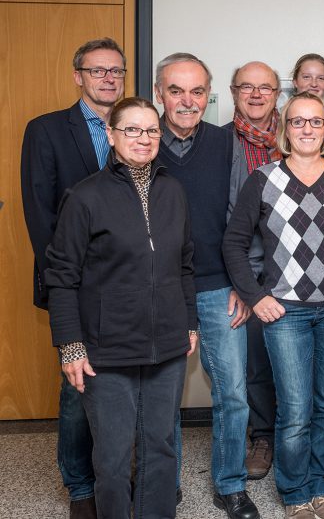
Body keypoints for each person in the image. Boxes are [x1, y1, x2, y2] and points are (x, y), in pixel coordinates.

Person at [20, 37, 166, 519]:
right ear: (78, 75)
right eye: (98, 70)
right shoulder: (46, 130)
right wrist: (69, 292)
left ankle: (131, 489)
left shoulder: (141, 136)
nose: (109, 77)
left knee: (128, 407)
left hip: (128, 290)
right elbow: (41, 214)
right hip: (79, 289)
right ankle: (82, 489)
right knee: (77, 392)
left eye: (117, 71)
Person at [45, 96, 198, 519]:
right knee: (112, 458)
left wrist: (189, 322)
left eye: (151, 130)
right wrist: (71, 346)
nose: (144, 138)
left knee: (161, 448)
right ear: (111, 135)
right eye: (132, 129)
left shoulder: (173, 190)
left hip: (166, 347)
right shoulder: (85, 197)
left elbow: (185, 263)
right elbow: (61, 276)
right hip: (106, 351)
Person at [224, 91, 324, 519]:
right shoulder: (264, 179)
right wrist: (256, 296)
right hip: (285, 313)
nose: (307, 129)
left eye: (316, 122)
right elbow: (233, 244)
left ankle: (321, 483)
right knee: (294, 408)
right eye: (297, 122)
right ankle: (293, 491)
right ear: (284, 129)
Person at [152, 52, 259, 519]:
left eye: (197, 92)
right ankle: (162, 484)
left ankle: (230, 484)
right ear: (160, 94)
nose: (187, 100)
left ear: (208, 96)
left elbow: (242, 217)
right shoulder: (141, 139)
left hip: (218, 286)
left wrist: (244, 283)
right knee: (161, 394)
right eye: (176, 90)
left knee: (233, 392)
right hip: (156, 289)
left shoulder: (224, 143)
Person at [224, 61, 281, 482]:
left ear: (278, 93)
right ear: (233, 92)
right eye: (248, 87)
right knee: (256, 362)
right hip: (246, 270)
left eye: (266, 87)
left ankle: (299, 435)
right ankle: (263, 436)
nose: (256, 94)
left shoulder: (296, 135)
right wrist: (236, 282)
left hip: (295, 271)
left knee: (300, 360)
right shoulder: (218, 143)